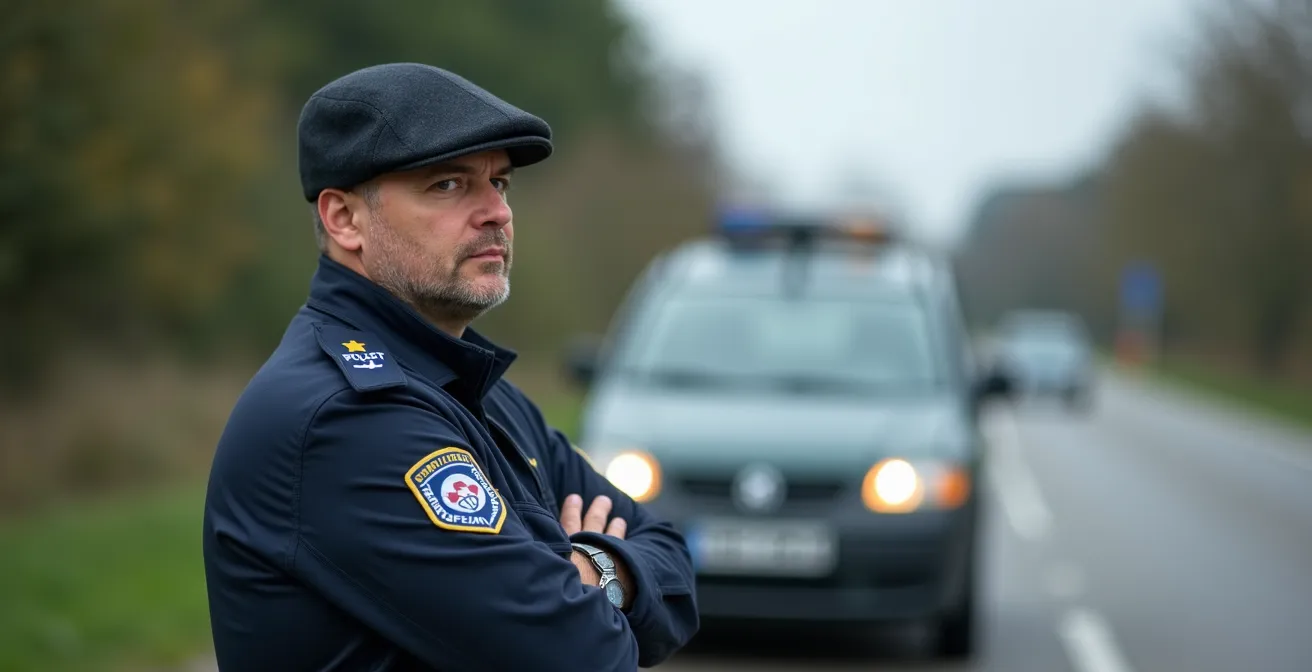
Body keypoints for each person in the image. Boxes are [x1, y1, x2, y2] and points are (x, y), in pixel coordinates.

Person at [201, 62, 699, 672]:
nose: (497, 212)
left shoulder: (477, 391)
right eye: (448, 185)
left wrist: (589, 566)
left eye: (501, 183)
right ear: (345, 219)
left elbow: (673, 564)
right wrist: (595, 568)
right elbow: (582, 655)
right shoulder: (348, 419)